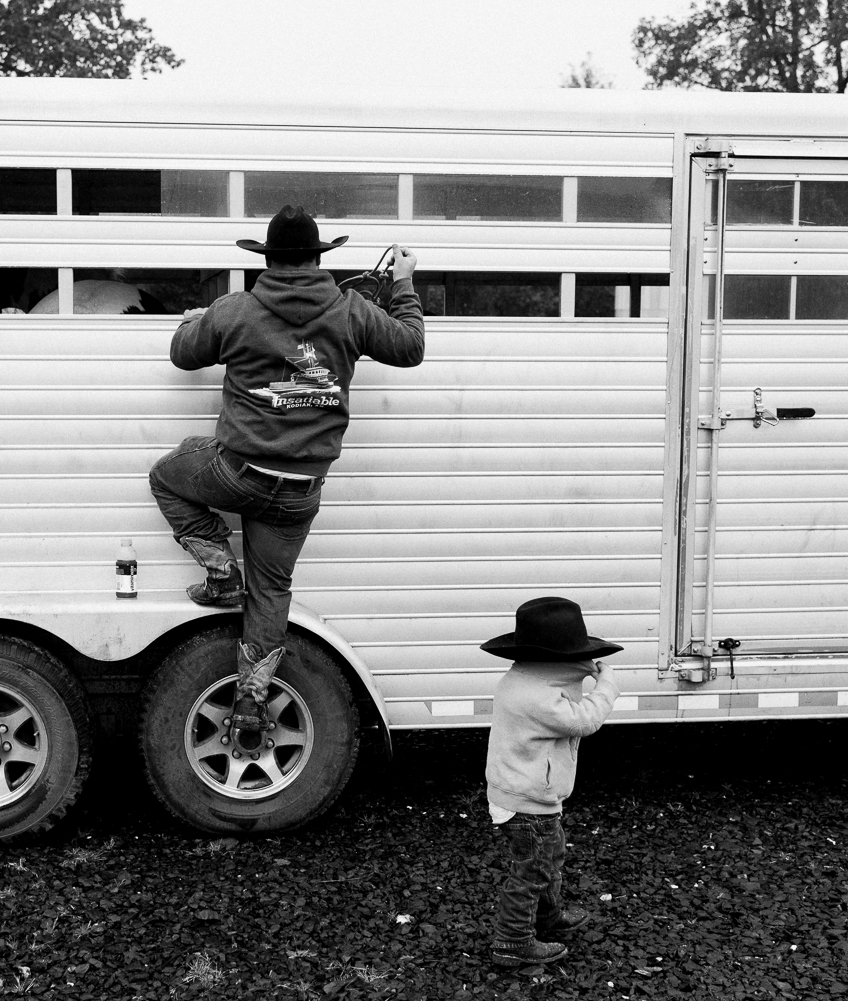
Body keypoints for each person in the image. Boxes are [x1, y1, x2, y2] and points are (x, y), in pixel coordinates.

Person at [148, 205, 424, 734]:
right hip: (301, 489)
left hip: (237, 472)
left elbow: (184, 354)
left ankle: (222, 571)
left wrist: (197, 320)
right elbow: (410, 346)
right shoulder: (350, 311)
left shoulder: (237, 310)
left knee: (167, 474)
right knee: (271, 590)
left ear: (268, 258)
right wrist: (404, 285)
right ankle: (251, 697)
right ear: (319, 258)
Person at [481, 596, 623, 969]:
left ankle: (547, 918)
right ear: (557, 659)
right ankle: (512, 941)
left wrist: (583, 669)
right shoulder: (537, 697)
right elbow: (585, 720)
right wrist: (605, 682)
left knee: (549, 857)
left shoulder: (524, 678)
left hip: (528, 794)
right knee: (532, 871)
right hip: (526, 800)